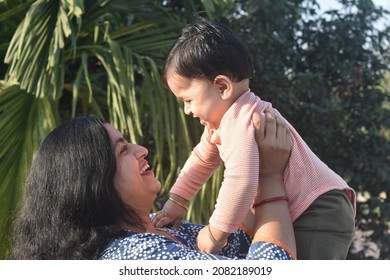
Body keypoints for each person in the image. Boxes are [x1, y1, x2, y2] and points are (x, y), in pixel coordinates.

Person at [152, 16, 356, 259]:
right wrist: (177, 201)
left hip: (319, 210)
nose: (187, 110)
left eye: (188, 100)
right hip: (304, 206)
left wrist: (215, 233)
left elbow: (241, 181)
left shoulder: (241, 120)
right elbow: (201, 160)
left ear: (222, 87)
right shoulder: (224, 121)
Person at [11, 111, 296, 260]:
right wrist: (269, 178)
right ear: (93, 185)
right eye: (123, 151)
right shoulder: (133, 255)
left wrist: (250, 162)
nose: (142, 150)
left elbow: (243, 243)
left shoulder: (159, 225)